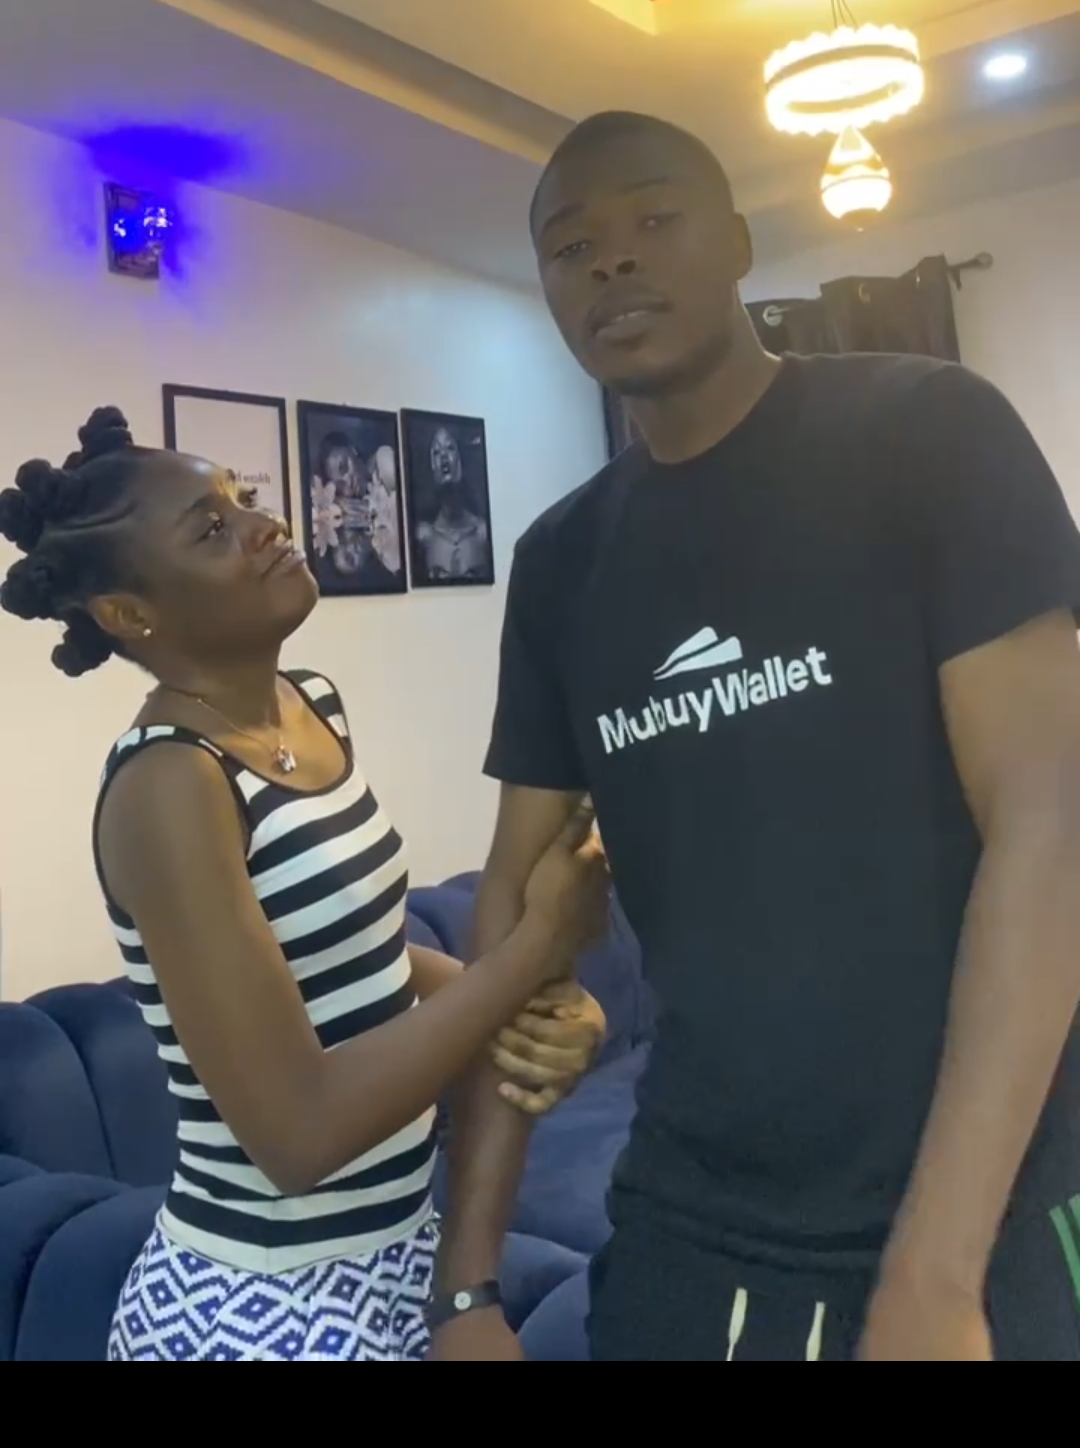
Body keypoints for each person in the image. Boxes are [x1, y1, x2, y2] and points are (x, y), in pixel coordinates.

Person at [434, 110, 1080, 1362]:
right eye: (572, 247)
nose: (613, 260)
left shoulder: (929, 431)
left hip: (984, 1209)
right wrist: (466, 1288)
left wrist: (937, 1271)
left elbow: (1049, 827)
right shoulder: (562, 562)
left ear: (737, 243)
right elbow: (515, 906)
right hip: (690, 1218)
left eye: (652, 219)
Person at [0, 408, 607, 1362]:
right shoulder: (170, 784)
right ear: (127, 615)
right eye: (213, 528)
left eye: (244, 498)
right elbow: (297, 1134)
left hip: (400, 1252)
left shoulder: (310, 704)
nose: (265, 525)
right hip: (261, 1302)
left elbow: (356, 954)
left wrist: (532, 1011)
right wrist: (533, 950)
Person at [414, 423, 490, 583]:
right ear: (431, 467)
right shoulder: (424, 535)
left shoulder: (482, 532)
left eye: (449, 448)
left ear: (460, 459)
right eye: (436, 452)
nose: (443, 456)